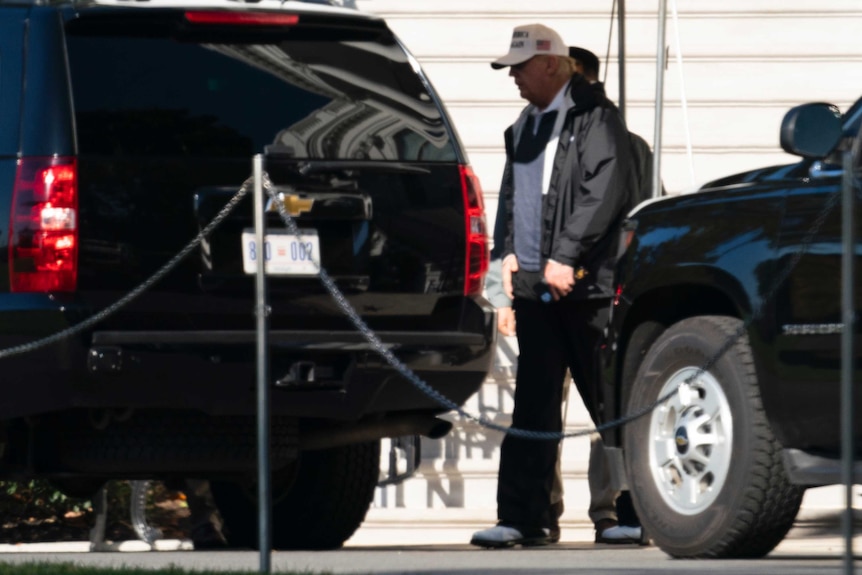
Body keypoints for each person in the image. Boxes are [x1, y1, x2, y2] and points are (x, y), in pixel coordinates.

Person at [470, 23, 638, 548]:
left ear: (552, 65)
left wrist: (565, 256)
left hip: (585, 289)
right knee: (534, 406)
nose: (514, 77)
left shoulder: (596, 120)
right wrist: (501, 284)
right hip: (535, 292)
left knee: (608, 400)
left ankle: (632, 513)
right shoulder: (523, 125)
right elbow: (510, 208)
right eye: (510, 68)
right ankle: (525, 517)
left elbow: (603, 193)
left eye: (520, 67)